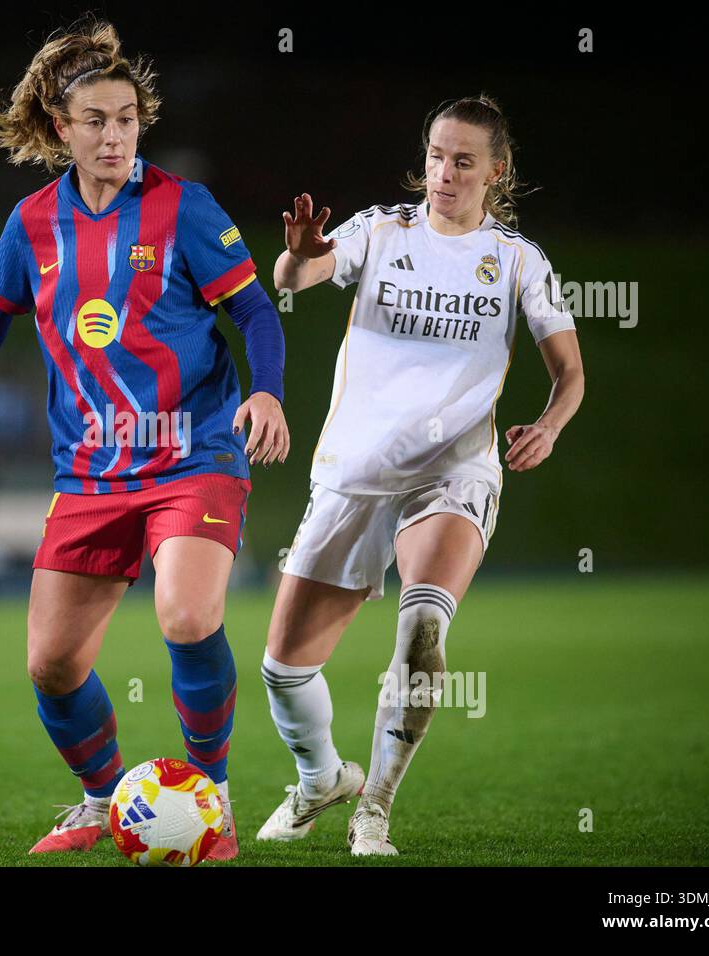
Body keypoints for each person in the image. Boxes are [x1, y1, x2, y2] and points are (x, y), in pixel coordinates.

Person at [0, 18, 288, 860]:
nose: (115, 136)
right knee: (52, 666)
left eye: (128, 119)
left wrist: (269, 392)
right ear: (63, 129)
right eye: (96, 120)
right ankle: (101, 801)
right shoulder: (32, 225)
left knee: (186, 613)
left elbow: (250, 308)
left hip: (193, 454)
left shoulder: (183, 208)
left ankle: (213, 800)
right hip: (93, 475)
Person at [256, 94, 584, 856]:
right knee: (282, 669)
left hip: (455, 471)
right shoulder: (380, 229)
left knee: (423, 628)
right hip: (356, 471)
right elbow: (296, 276)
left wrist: (550, 424)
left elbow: (568, 373)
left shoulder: (517, 261)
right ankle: (319, 781)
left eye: (463, 160)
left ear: (494, 171)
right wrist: (302, 251)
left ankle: (375, 804)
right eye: (437, 155)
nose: (444, 171)